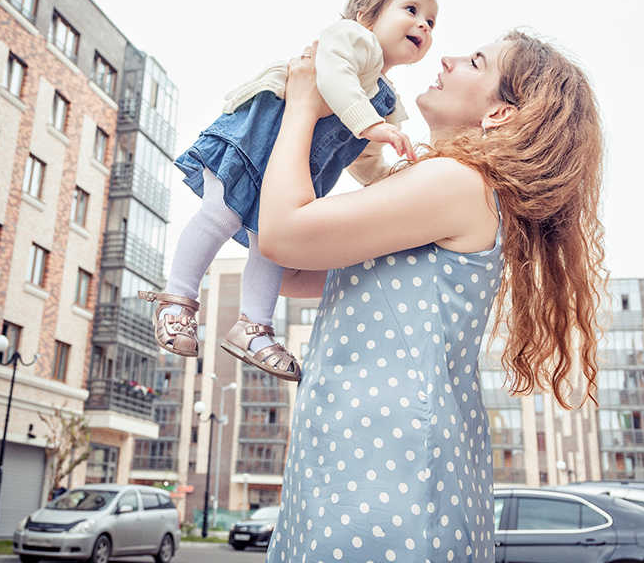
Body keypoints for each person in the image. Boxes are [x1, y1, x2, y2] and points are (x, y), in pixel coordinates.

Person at [257, 31, 606, 562]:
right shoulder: (451, 184)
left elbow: (283, 235)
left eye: (475, 61)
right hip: (362, 446)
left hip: (383, 457)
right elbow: (293, 268)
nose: (447, 57)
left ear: (500, 114)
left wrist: (303, 107)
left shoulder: (458, 181)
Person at [139, 0, 438, 382]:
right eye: (411, 11)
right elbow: (334, 77)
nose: (424, 25)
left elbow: (366, 157)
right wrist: (372, 124)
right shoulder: (351, 40)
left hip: (290, 173)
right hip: (253, 143)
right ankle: (177, 299)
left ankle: (254, 327)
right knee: (220, 214)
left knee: (273, 245)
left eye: (431, 21)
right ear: (367, 15)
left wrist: (390, 177)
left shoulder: (387, 99)